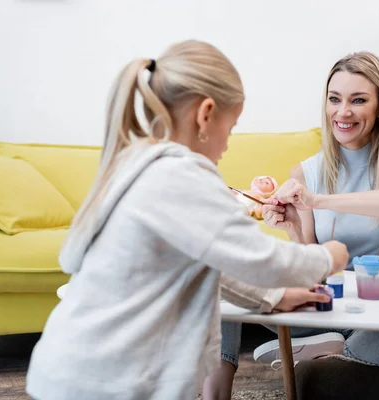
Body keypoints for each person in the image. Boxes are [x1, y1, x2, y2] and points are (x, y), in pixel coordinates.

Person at [24, 40, 350, 400]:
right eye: (232, 126)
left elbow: (210, 264)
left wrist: (271, 298)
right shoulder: (181, 176)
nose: (227, 142)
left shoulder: (137, 163)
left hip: (70, 369)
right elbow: (262, 259)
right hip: (109, 381)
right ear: (205, 114)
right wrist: (330, 257)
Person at [203, 51, 379, 400]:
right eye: (334, 99)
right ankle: (217, 395)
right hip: (326, 299)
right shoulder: (307, 171)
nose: (343, 112)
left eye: (358, 100)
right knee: (221, 280)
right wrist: (294, 229)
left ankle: (331, 353)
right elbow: (312, 261)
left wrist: (321, 201)